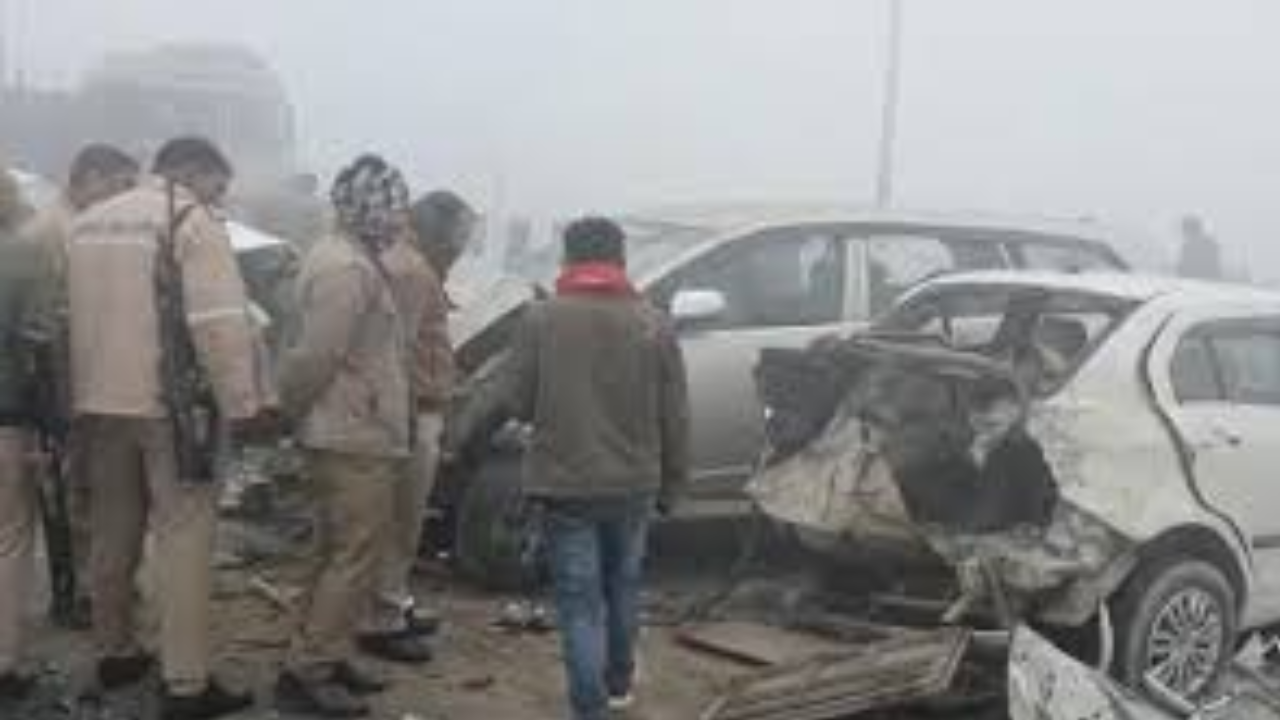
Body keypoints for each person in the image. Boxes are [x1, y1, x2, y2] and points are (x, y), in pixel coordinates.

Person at [67, 137, 273, 720]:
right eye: (217, 186)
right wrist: (243, 403)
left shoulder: (89, 222)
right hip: (171, 410)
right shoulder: (189, 220)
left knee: (113, 531)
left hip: (98, 402)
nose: (219, 200)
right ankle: (185, 682)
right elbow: (218, 323)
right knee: (184, 540)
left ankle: (114, 651)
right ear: (190, 172)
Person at [498, 217, 690, 720]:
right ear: (621, 260)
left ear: (568, 260)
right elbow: (676, 415)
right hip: (634, 485)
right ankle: (619, 685)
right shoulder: (654, 323)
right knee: (623, 585)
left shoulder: (541, 318)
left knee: (580, 602)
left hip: (566, 486)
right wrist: (674, 485)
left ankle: (589, 709)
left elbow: (516, 402)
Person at [275, 155, 414, 718]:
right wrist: (289, 412)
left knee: (336, 553)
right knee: (351, 554)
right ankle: (309, 671)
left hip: (351, 428)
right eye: (393, 208)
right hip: (351, 433)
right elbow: (317, 355)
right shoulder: (346, 268)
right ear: (370, 210)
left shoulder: (349, 258)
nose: (399, 220)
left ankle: (322, 654)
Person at [23, 144, 141, 629]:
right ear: (90, 178)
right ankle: (77, 594)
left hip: (83, 374)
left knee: (85, 490)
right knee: (70, 492)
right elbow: (47, 324)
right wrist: (61, 398)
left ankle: (93, 587)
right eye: (120, 185)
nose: (126, 197)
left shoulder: (75, 225)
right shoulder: (54, 232)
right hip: (62, 381)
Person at [358, 191, 476, 664]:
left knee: (398, 522)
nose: (465, 246)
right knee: (398, 523)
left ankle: (391, 604)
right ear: (441, 231)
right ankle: (381, 620)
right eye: (463, 234)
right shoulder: (411, 271)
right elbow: (396, 352)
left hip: (413, 408)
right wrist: (406, 418)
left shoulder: (413, 265)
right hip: (408, 411)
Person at [0, 167, 59, 704]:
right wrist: (48, 429)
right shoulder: (23, 256)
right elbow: (39, 346)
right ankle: (5, 661)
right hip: (7, 418)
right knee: (10, 538)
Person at [1175, 215, 1224, 281]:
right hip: (1207, 281)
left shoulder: (1188, 247)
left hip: (1201, 281)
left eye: (1185, 229)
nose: (1184, 233)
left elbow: (1183, 269)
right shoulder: (1210, 243)